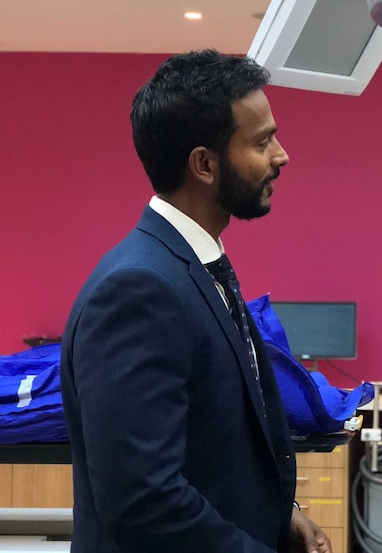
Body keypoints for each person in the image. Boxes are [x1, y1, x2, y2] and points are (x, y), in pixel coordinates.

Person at [60, 49, 331, 553]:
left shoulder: (194, 266)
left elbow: (215, 444)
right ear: (205, 164)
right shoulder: (140, 289)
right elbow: (143, 500)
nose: (281, 155)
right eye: (262, 141)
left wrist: (282, 516)